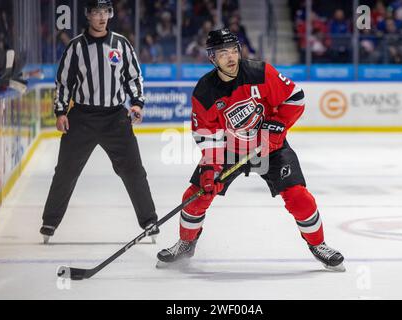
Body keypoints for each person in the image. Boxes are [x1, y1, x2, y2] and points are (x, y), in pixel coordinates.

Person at [157, 28, 345, 271]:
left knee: (298, 196)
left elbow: (295, 97)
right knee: (195, 196)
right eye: (223, 53)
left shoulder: (260, 72)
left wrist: (277, 126)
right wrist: (210, 171)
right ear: (212, 57)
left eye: (234, 50)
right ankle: (186, 243)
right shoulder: (205, 91)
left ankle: (319, 244)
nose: (231, 57)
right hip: (229, 150)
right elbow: (206, 135)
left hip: (270, 146)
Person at [40, 0, 159, 243]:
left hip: (116, 118)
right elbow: (64, 83)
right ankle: (49, 222)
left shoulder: (121, 44)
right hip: (81, 118)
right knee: (65, 171)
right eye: (96, 12)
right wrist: (61, 112)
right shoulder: (75, 47)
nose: (102, 17)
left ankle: (149, 220)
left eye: (106, 12)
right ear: (88, 15)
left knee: (134, 170)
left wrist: (137, 103)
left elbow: (134, 76)